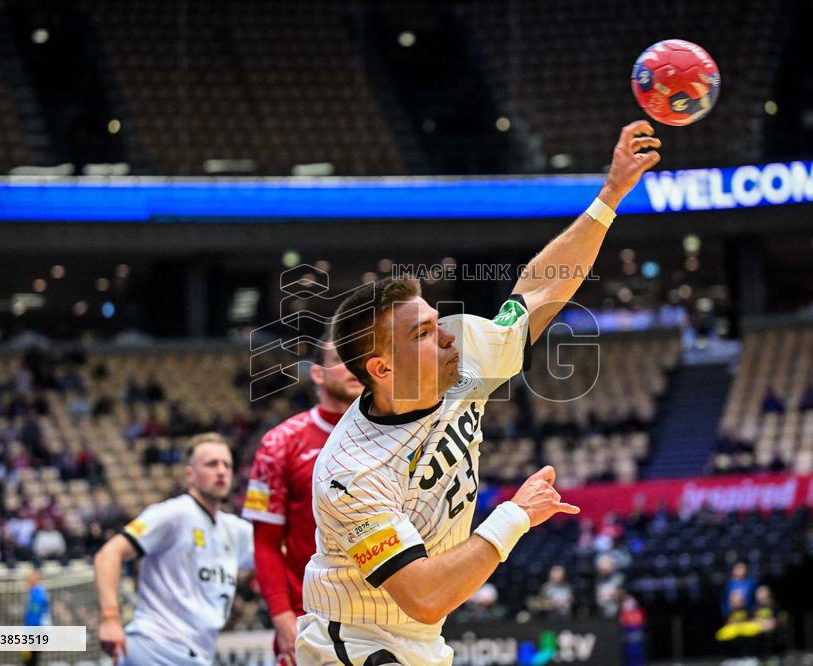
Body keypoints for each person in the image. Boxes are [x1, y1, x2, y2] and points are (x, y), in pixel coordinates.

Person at [296, 121, 660, 665]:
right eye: (421, 334)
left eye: (434, 320)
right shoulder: (351, 472)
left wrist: (609, 196)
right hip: (357, 641)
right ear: (382, 368)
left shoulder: (462, 352)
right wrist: (514, 516)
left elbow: (536, 289)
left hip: (421, 639)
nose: (445, 335)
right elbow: (422, 594)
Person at [244, 337, 362, 664]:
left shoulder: (397, 437)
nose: (354, 364)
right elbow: (265, 543)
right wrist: (282, 617)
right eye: (341, 358)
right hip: (309, 619)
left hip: (386, 617)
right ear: (317, 374)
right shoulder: (279, 443)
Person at [94, 432, 254, 665]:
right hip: (154, 648)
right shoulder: (173, 514)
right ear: (190, 474)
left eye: (227, 465)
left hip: (196, 655)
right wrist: (110, 618)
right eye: (211, 464)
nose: (221, 471)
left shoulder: (236, 530)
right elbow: (108, 555)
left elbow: (278, 557)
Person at [22, 570, 50, 665]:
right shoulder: (40, 593)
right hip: (37, 629)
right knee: (31, 658)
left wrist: (27, 632)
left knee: (30, 659)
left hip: (36, 630)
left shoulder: (37, 594)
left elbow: (34, 615)